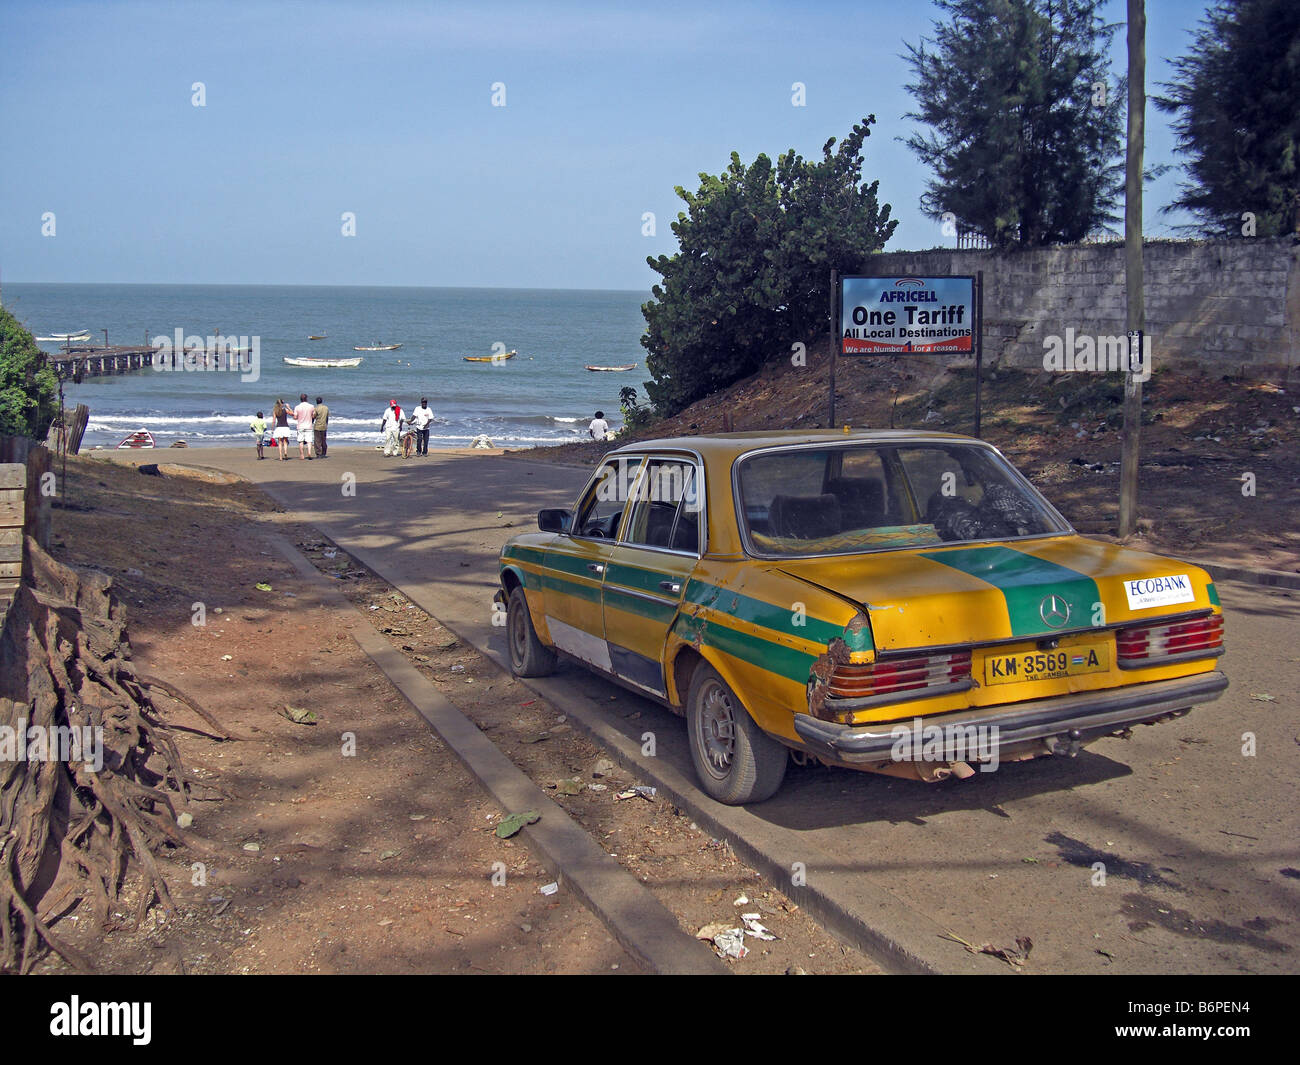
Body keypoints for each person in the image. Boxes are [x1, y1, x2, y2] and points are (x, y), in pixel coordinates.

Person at [293, 393, 315, 459]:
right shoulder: (311, 406)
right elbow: (313, 415)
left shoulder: (297, 407)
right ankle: (309, 453)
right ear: (306, 399)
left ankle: (302, 455)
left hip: (300, 426)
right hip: (309, 425)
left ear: (300, 399)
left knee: (301, 441)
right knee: (309, 441)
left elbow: (295, 417)